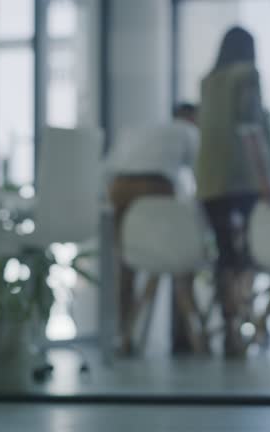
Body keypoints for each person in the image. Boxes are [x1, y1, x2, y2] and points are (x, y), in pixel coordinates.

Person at [196, 27, 270, 356]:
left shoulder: (208, 81)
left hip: (209, 181)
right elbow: (251, 126)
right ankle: (243, 321)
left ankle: (230, 326)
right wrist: (267, 178)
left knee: (225, 254)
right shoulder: (247, 74)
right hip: (242, 178)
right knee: (247, 255)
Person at [105, 103, 199, 353]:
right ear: (193, 118)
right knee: (177, 258)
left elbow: (110, 166)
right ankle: (188, 336)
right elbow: (198, 174)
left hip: (119, 188)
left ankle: (124, 335)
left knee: (126, 265)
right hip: (155, 186)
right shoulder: (188, 131)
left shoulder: (139, 129)